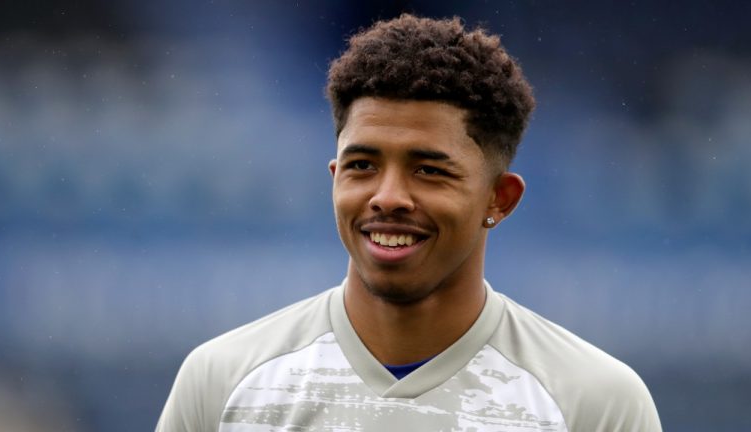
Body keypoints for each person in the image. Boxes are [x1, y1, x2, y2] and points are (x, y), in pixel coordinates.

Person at [156, 14, 661, 432]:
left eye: (429, 170)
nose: (388, 197)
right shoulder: (222, 382)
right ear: (334, 177)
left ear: (500, 198)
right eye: (362, 166)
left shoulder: (593, 402)